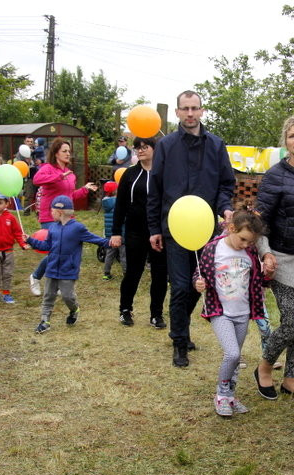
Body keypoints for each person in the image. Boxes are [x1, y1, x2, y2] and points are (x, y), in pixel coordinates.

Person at [146, 90, 236, 368]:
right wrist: (154, 228)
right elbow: (156, 190)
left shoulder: (216, 145)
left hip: (206, 230)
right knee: (182, 286)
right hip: (174, 229)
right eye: (185, 109)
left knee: (200, 285)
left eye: (194, 108)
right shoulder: (166, 146)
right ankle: (180, 343)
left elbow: (225, 184)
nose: (190, 114)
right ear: (177, 112)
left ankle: (179, 328)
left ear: (202, 111)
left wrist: (225, 208)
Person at [253, 115, 294, 401]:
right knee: (293, 320)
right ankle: (264, 367)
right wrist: (265, 252)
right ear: (285, 141)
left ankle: (290, 379)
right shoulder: (274, 176)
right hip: (283, 258)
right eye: (292, 135)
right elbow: (259, 221)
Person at [193, 205, 267, 417]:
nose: (246, 244)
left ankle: (231, 396)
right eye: (243, 239)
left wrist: (266, 272)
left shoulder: (250, 252)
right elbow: (199, 272)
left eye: (250, 242)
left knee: (236, 357)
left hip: (242, 313)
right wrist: (198, 283)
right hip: (220, 311)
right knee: (232, 353)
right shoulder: (213, 248)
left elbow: (256, 280)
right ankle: (221, 395)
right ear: (232, 228)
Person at [25, 195, 112, 334]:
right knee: (48, 295)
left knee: (67, 296)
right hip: (52, 268)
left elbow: (94, 239)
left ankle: (74, 309)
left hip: (68, 269)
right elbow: (46, 245)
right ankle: (45, 321)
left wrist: (110, 242)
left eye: (52, 210)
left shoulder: (77, 228)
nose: (50, 213)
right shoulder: (53, 228)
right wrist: (30, 240)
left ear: (60, 212)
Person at [28, 137, 98, 296]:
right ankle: (35, 276)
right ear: (56, 153)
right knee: (55, 251)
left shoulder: (70, 174)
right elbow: (37, 180)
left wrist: (85, 189)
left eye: (69, 151)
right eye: (64, 151)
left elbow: (70, 196)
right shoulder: (48, 167)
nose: (68, 154)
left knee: (66, 250)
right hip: (49, 216)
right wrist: (59, 177)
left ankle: (59, 283)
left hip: (67, 217)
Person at [110, 136, 168, 329]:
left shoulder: (163, 174)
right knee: (133, 272)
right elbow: (120, 205)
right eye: (137, 148)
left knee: (160, 274)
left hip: (159, 233)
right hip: (135, 231)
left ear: (154, 149)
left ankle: (156, 314)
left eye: (145, 147)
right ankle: (125, 309)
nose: (140, 151)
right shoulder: (130, 174)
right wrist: (116, 232)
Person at [100, 181, 126, 281]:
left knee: (109, 254)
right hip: (121, 233)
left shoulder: (105, 202)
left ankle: (106, 273)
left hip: (109, 234)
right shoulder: (120, 202)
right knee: (123, 255)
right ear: (116, 190)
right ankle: (126, 273)